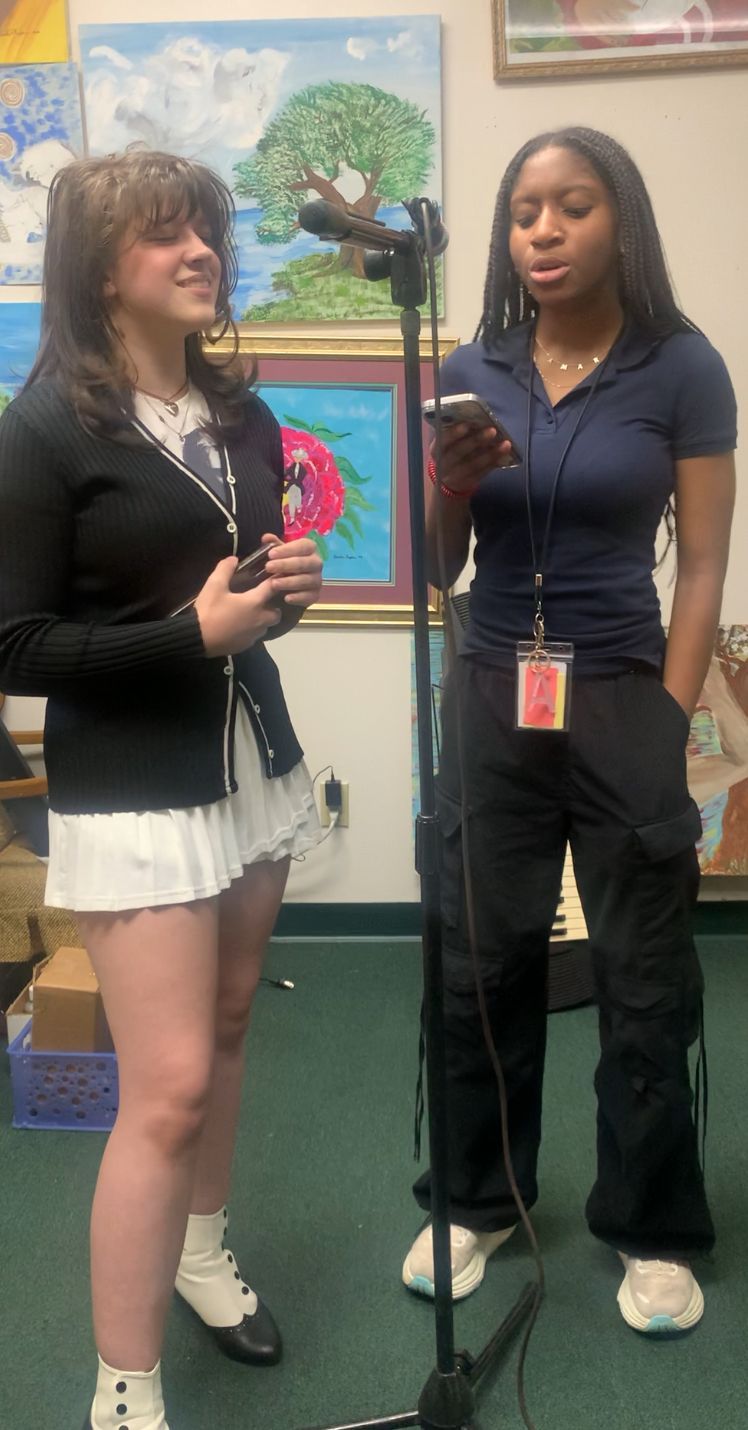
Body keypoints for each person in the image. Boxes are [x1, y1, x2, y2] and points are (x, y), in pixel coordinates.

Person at [0, 151, 325, 1430]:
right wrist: (189, 636)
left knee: (231, 1024)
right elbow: (14, 648)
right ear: (98, 269)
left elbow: (231, 608)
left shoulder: (242, 416)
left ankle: (201, 1254)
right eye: (163, 235)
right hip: (132, 784)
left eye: (207, 231)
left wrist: (271, 598)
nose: (199, 250)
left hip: (248, 762)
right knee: (170, 1082)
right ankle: (121, 1390)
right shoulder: (38, 433)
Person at [402, 126, 737, 1335]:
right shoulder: (469, 364)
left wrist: (665, 709)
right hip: (493, 691)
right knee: (479, 958)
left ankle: (650, 1222)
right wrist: (450, 482)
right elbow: (444, 566)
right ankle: (478, 1196)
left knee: (643, 973)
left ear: (621, 223)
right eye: (523, 209)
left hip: (618, 692)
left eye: (572, 206)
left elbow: (700, 565)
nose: (540, 230)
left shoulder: (681, 367)